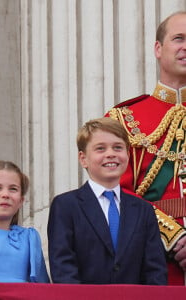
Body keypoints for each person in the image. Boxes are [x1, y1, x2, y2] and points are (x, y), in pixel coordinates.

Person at [107, 11, 186, 285]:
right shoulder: (123, 119)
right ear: (158, 48)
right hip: (153, 259)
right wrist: (173, 236)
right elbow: (113, 191)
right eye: (178, 39)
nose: (185, 47)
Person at [47, 117, 167, 284]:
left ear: (127, 154)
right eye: (100, 149)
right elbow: (63, 265)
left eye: (118, 147)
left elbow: (155, 270)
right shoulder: (66, 205)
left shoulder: (143, 209)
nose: (110, 154)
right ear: (83, 159)